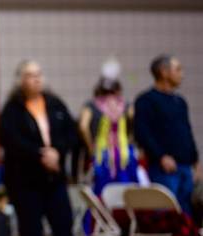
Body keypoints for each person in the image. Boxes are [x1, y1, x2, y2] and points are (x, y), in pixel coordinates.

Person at [0, 60, 82, 236]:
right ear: (20, 80)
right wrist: (39, 154)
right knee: (31, 230)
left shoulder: (55, 104)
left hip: (54, 177)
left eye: (38, 74)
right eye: (30, 75)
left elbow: (71, 134)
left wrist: (58, 152)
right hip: (25, 180)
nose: (35, 79)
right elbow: (10, 141)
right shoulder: (12, 109)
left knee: (63, 227)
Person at [134, 55, 200, 215]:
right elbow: (142, 133)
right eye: (177, 69)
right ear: (164, 72)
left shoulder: (179, 101)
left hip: (185, 166)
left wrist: (196, 160)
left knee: (185, 215)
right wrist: (161, 156)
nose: (182, 74)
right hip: (164, 168)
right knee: (165, 215)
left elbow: (187, 131)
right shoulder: (146, 101)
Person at [78, 58, 140, 195]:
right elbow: (137, 122)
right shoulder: (125, 105)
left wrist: (90, 148)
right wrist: (129, 140)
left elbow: (83, 126)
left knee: (101, 192)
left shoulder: (91, 105)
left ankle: (102, 216)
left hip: (102, 154)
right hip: (124, 155)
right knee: (127, 192)